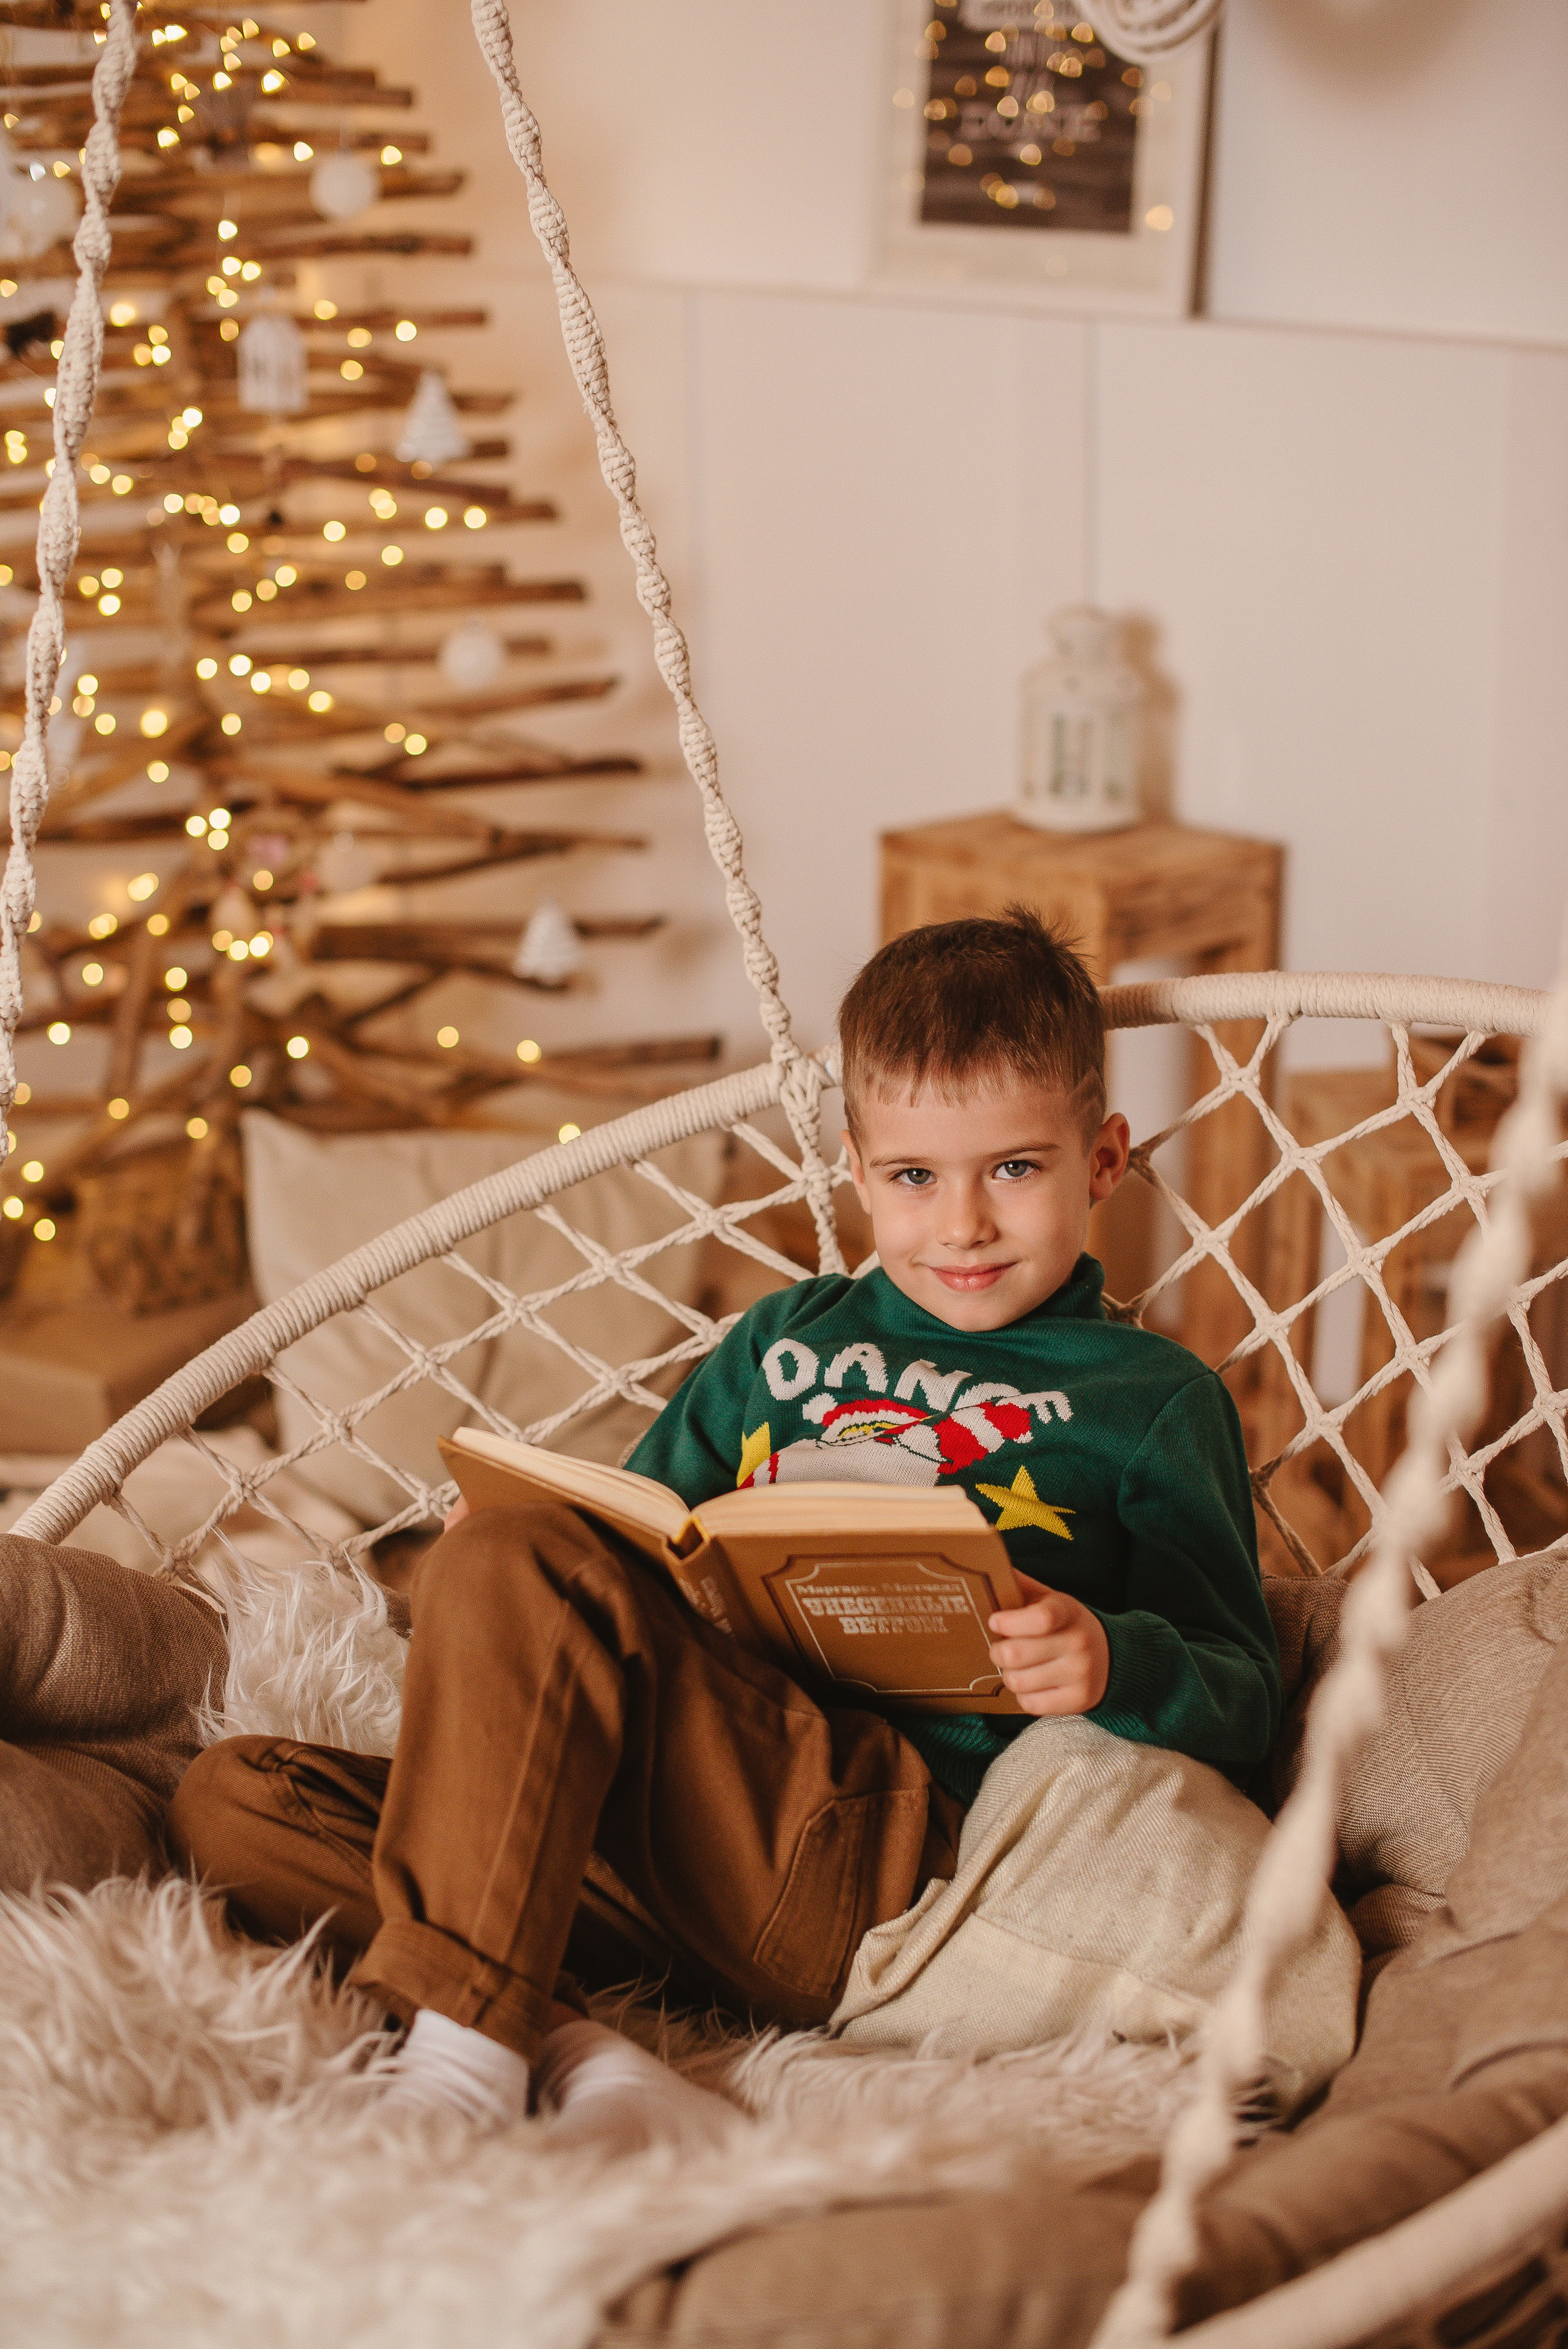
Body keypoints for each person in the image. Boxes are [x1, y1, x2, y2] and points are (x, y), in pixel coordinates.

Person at [168, 906, 1281, 2150]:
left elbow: (1247, 1692)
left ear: (1104, 1161)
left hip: (872, 1843)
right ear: (859, 1173)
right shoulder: (779, 1341)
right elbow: (632, 1537)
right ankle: (584, 2047)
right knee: (238, 1798)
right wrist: (584, 1551)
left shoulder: (1147, 1399)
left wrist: (1110, 1660)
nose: (960, 1223)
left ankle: (459, 2082)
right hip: (664, 1829)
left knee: (500, 1564)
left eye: (1012, 1169)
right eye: (913, 1177)